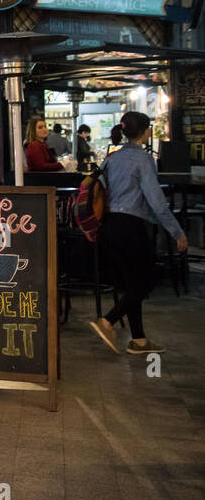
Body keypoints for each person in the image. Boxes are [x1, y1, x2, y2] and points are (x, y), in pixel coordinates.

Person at [89, 111, 184, 355]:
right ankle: (108, 320)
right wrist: (176, 231)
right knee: (148, 278)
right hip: (131, 227)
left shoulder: (112, 157)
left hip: (110, 226)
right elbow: (156, 201)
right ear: (144, 131)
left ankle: (139, 340)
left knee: (132, 283)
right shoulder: (143, 159)